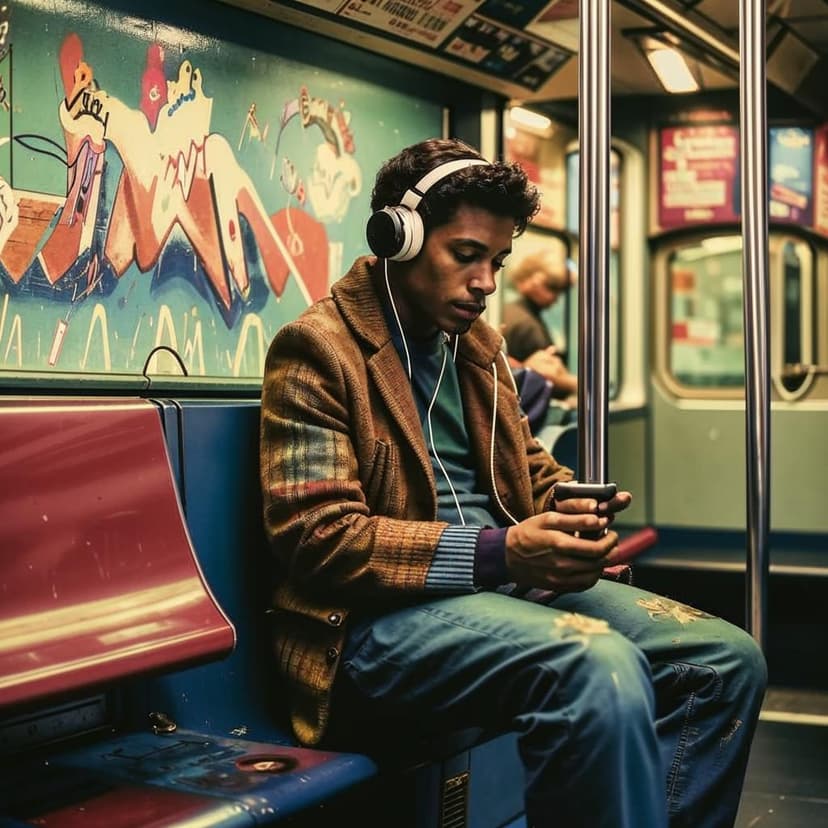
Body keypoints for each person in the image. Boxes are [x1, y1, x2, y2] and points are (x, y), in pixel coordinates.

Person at [259, 137, 767, 828]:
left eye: (496, 262)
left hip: (498, 592)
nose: (486, 283)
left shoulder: (478, 348)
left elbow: (528, 471)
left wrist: (567, 510)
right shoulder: (319, 351)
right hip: (368, 627)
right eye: (466, 255)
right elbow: (319, 540)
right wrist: (504, 553)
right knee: (593, 665)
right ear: (396, 238)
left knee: (725, 662)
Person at [502, 249, 578, 401]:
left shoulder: (509, 311)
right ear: (535, 282)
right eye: (553, 289)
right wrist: (573, 384)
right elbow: (550, 379)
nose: (555, 299)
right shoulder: (527, 326)